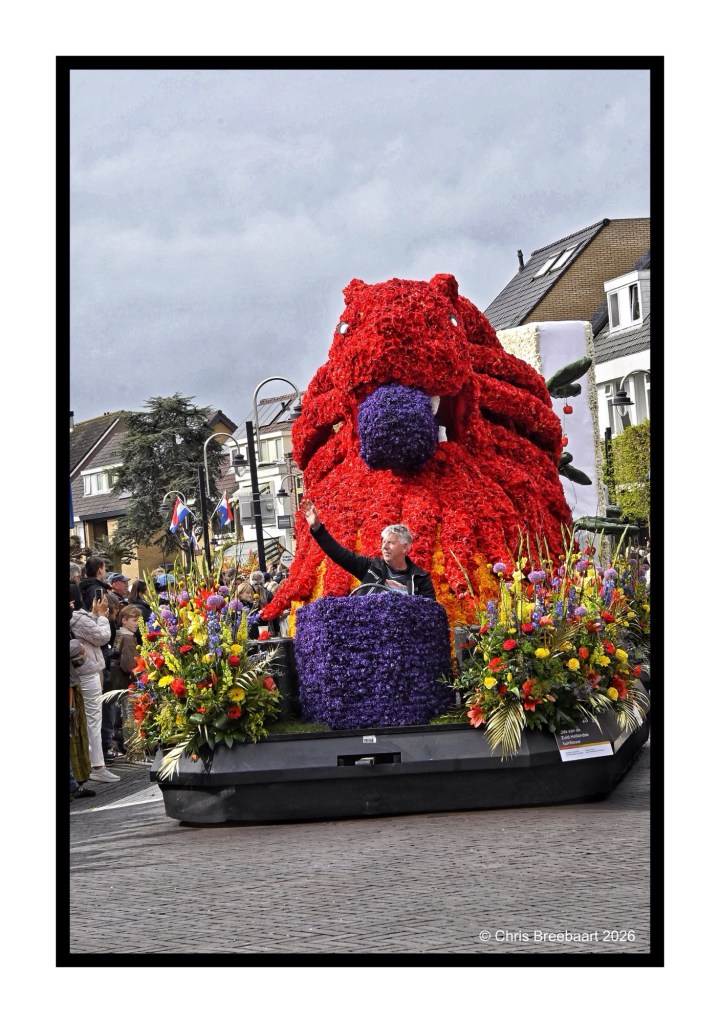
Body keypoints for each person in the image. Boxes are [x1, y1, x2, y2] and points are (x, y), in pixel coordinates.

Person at [301, 499, 436, 599]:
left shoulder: (420, 578)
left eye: (391, 543)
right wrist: (317, 528)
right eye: (383, 542)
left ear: (405, 547)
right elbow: (339, 554)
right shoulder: (371, 567)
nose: (384, 546)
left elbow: (431, 615)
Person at [70, 591, 120, 783]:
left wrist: (93, 615)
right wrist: (101, 616)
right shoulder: (77, 617)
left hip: (81, 671)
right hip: (87, 672)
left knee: (87, 718)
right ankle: (97, 765)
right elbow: (102, 637)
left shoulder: (78, 618)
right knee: (94, 718)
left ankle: (91, 764)